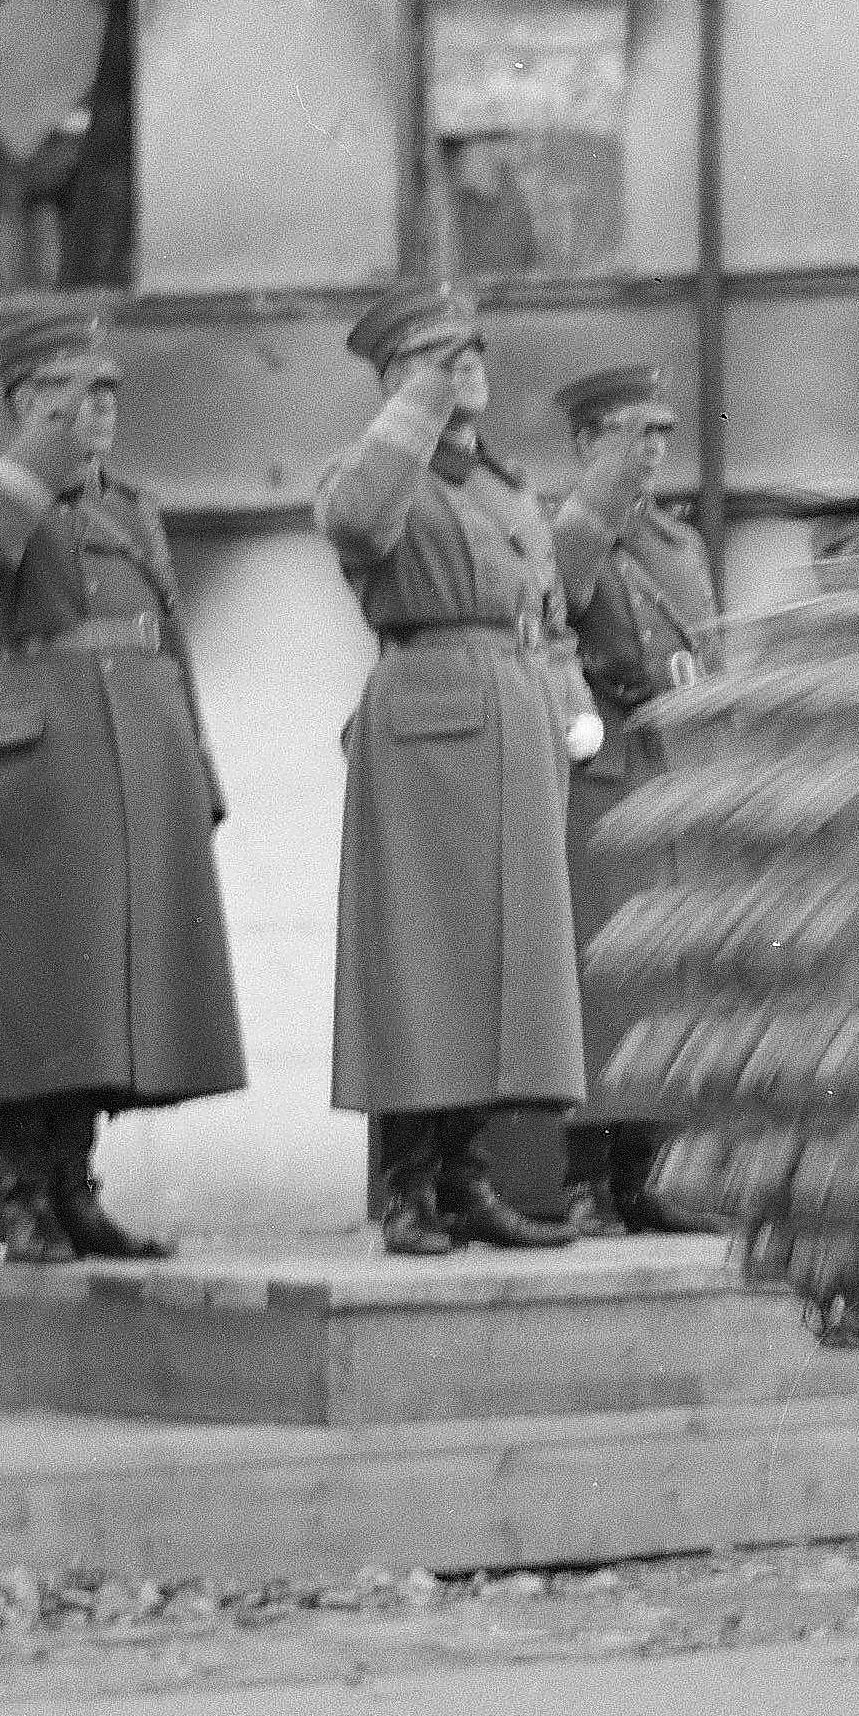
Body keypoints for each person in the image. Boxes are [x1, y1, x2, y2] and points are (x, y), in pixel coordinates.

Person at [0, 307, 244, 1262]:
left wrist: (197, 761)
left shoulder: (133, 508)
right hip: (45, 757)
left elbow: (170, 635)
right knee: (44, 983)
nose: (98, 414)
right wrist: (38, 454)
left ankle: (76, 1185)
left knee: (112, 986)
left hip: (137, 755)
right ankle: (27, 1192)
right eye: (72, 398)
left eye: (107, 395)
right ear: (23, 409)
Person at [314, 283, 588, 1257]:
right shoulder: (382, 473)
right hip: (428, 719)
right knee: (423, 961)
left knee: (503, 965)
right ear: (397, 382)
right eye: (439, 355)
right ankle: (408, 1188)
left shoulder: (502, 485)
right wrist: (414, 411)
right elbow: (354, 522)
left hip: (513, 718)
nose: (467, 362)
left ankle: (467, 1172)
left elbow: (546, 615)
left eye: (471, 350)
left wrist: (566, 706)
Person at [544, 362, 720, 1238]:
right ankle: (583, 1178)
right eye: (632, 433)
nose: (653, 451)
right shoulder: (571, 532)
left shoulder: (678, 545)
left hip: (667, 773)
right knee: (601, 977)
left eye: (660, 435)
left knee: (665, 982)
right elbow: (553, 610)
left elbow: (708, 650)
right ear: (587, 443)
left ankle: (646, 1172)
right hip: (601, 773)